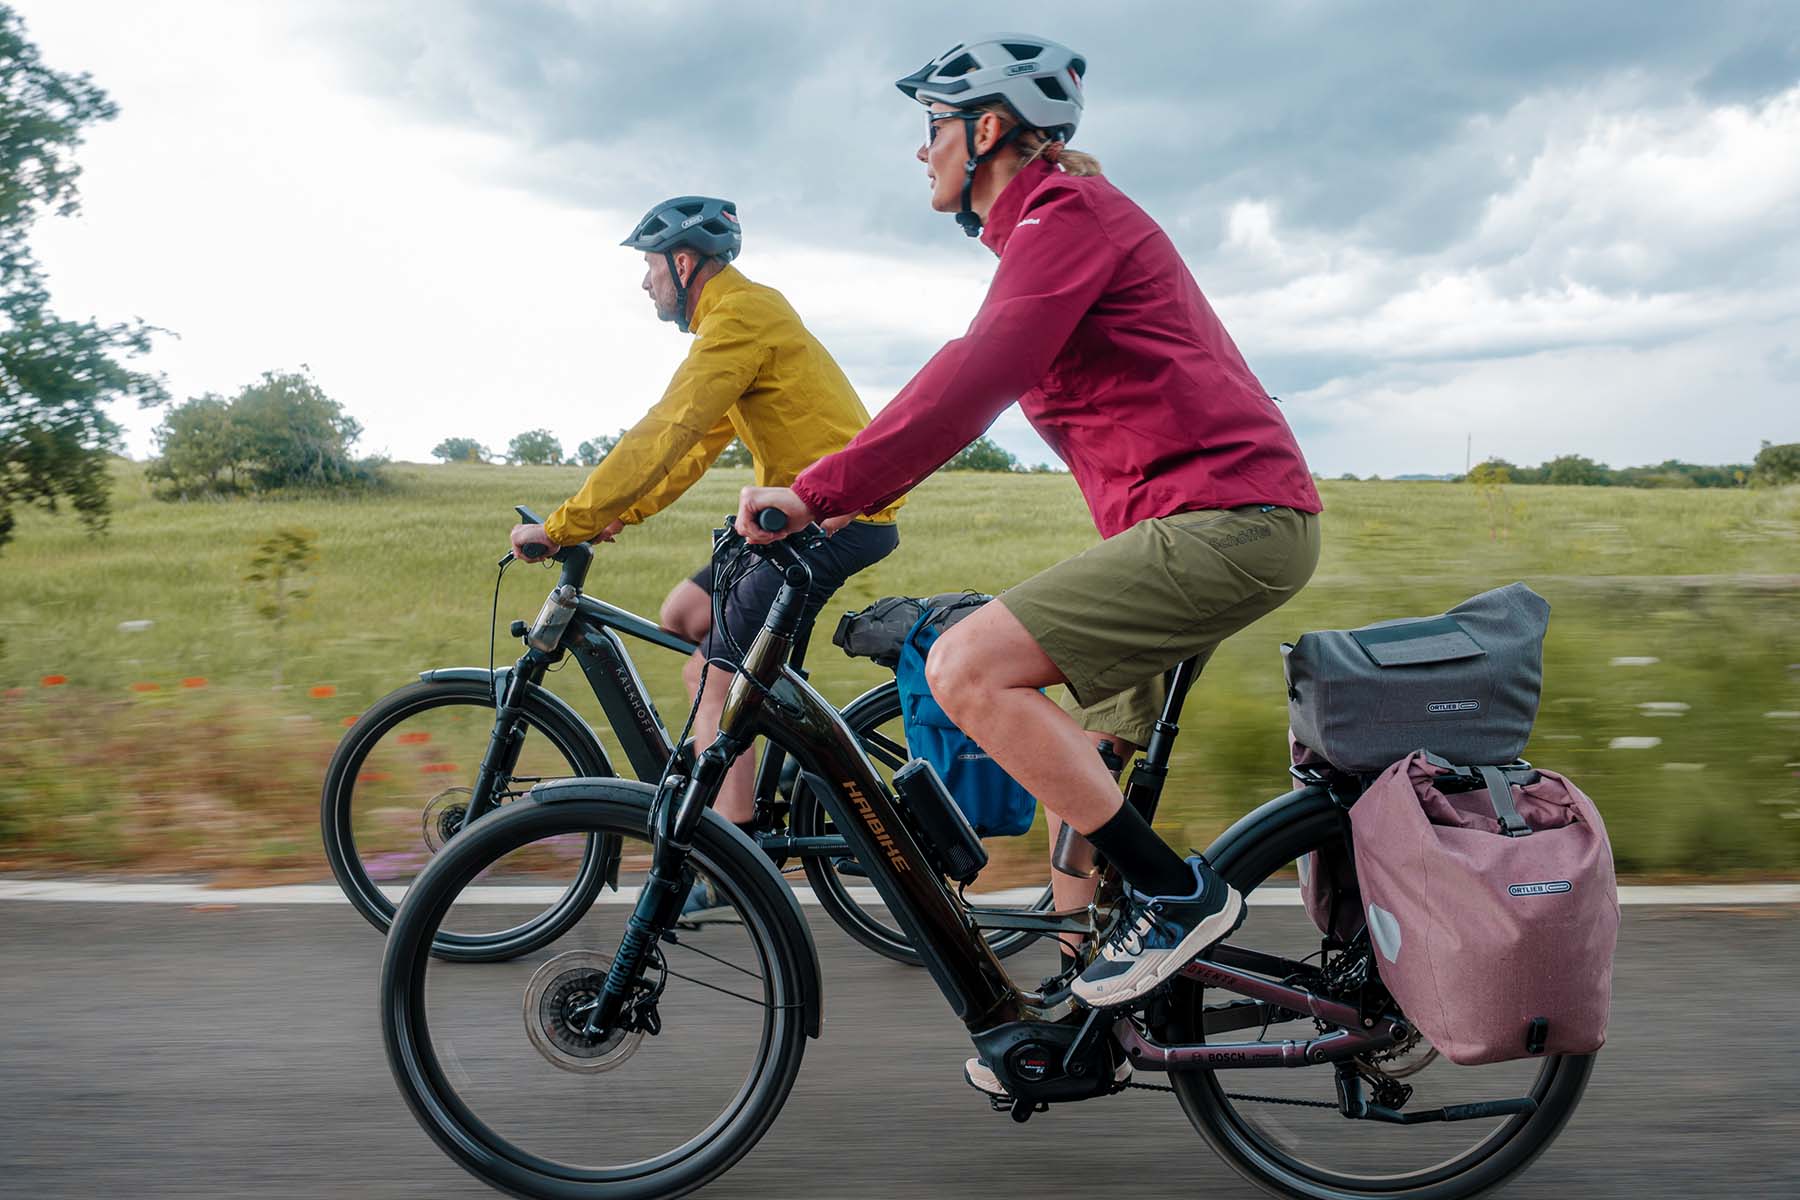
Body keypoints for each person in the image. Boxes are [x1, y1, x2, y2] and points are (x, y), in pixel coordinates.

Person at [734, 35, 1323, 1092]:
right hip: (1185, 527)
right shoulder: (1049, 235)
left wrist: (818, 491)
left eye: (933, 127)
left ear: (990, 129)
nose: (921, 150)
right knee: (1079, 765)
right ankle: (1080, 1030)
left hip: (1228, 522)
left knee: (965, 665)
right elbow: (968, 369)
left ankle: (1177, 897)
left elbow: (974, 378)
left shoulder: (1067, 217)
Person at [510, 196, 903, 919]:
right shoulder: (741, 317)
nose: (645, 282)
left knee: (710, 679)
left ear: (684, 262)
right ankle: (763, 736)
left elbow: (668, 427)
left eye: (650, 266)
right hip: (797, 522)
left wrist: (568, 524)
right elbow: (696, 444)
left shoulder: (739, 318)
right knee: (685, 613)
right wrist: (619, 513)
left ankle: (735, 859)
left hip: (833, 521)